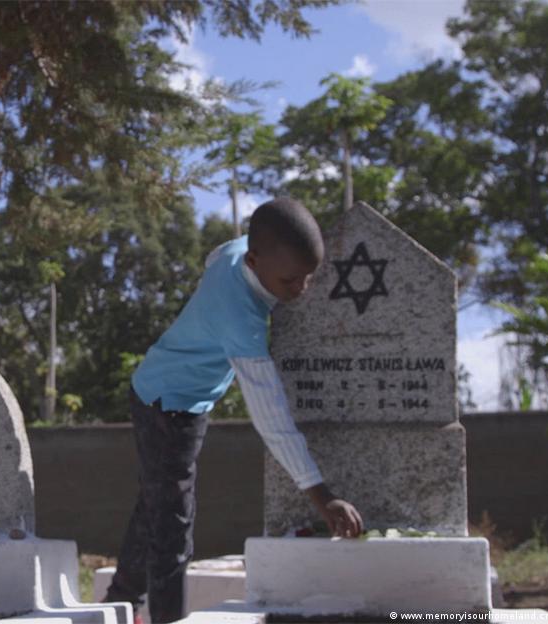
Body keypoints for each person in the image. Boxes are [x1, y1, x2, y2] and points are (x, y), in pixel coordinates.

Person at [103, 197, 363, 623]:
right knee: (173, 527)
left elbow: (214, 255)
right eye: (289, 280)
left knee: (155, 503)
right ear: (255, 259)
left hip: (162, 389)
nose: (300, 290)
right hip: (171, 405)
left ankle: (118, 601)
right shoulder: (241, 321)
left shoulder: (235, 251)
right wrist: (322, 495)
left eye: (308, 278)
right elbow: (271, 417)